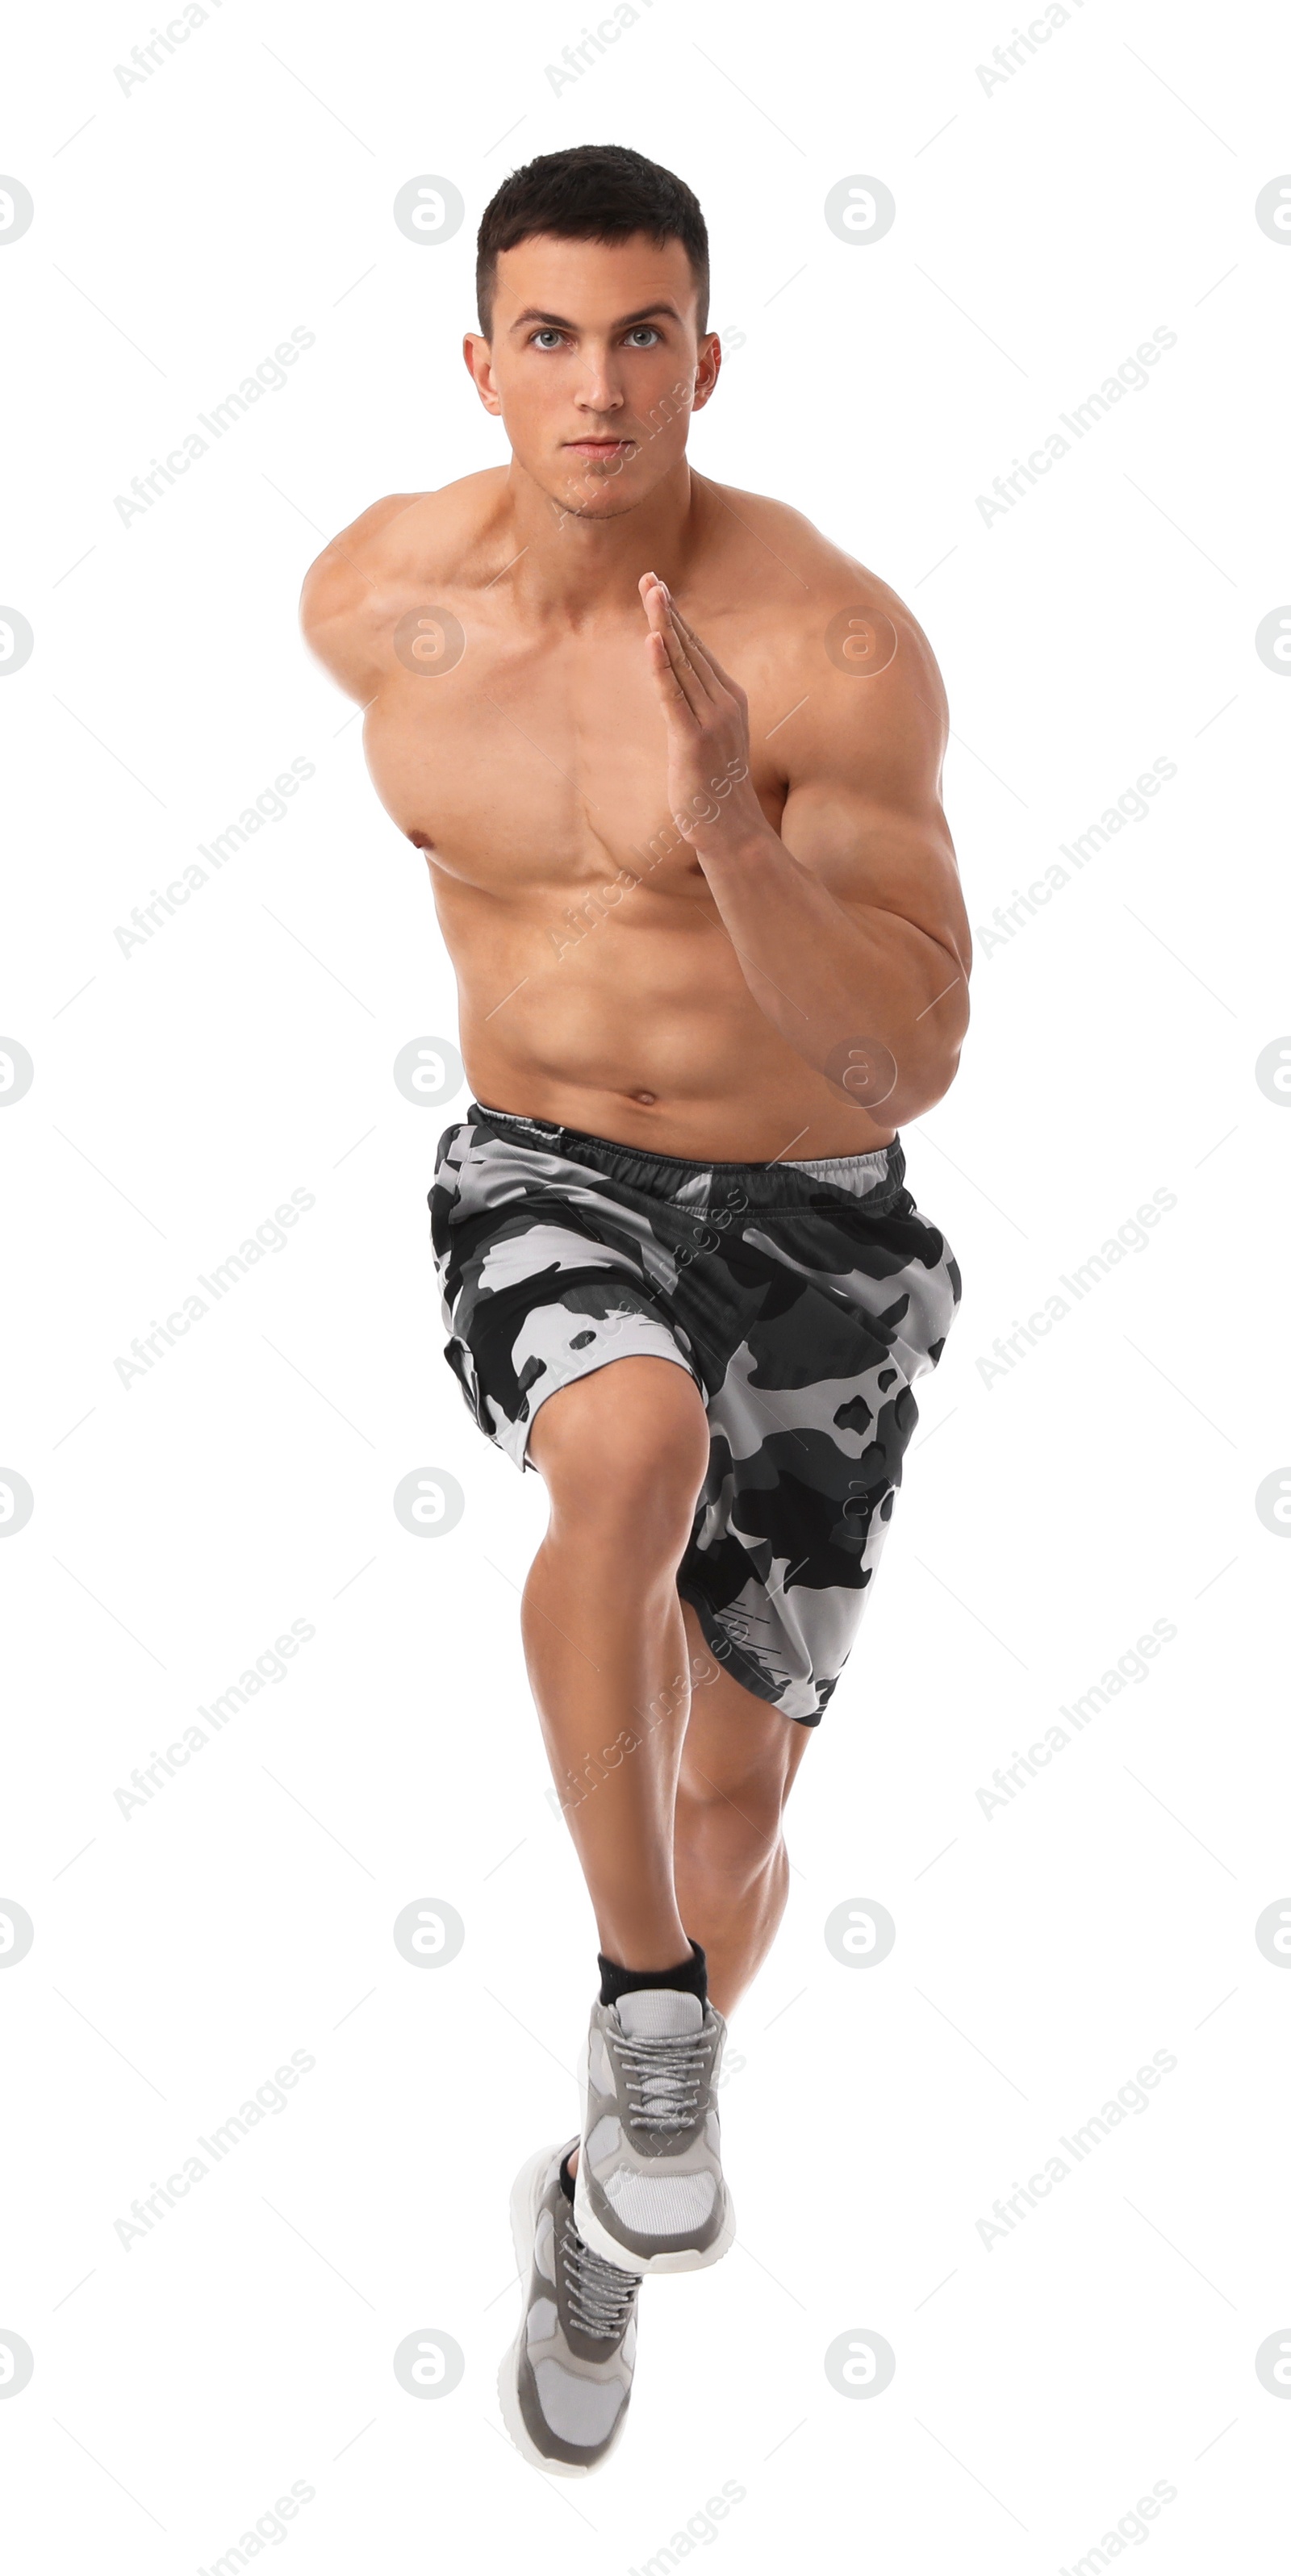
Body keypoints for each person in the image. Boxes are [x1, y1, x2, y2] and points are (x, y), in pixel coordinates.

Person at [301, 140, 969, 2477]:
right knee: (624, 1440)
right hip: (547, 1165)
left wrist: (727, 831)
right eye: (552, 337)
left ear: (708, 355)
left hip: (815, 1202)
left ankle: (595, 2197)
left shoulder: (835, 644)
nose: (599, 385)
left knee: (739, 1786)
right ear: (481, 364)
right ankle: (649, 2019)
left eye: (647, 333)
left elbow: (909, 1052)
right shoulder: (375, 600)